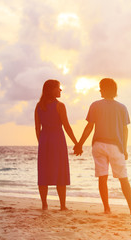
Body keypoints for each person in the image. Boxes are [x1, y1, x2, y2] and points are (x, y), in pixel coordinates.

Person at [74, 78, 131, 215]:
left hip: (98, 145)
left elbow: (89, 127)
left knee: (102, 177)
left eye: (101, 88)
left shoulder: (95, 105)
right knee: (123, 178)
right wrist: (124, 149)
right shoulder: (122, 107)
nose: (99, 90)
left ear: (105, 89)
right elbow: (125, 130)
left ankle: (107, 209)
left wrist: (79, 144)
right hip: (115, 146)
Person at [35, 79, 79, 211]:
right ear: (51, 90)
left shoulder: (39, 106)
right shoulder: (60, 105)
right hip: (58, 141)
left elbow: (37, 128)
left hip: (44, 141)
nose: (60, 90)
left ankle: (44, 205)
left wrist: (41, 143)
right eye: (58, 88)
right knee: (61, 172)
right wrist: (76, 143)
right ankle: (62, 205)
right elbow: (66, 126)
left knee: (43, 173)